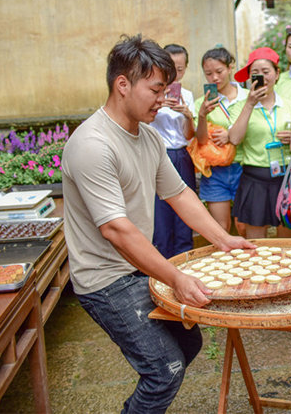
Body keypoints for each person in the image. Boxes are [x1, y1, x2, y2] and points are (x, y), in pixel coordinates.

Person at [62, 35, 254, 413]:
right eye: (155, 89)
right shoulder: (92, 145)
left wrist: (223, 239)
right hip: (104, 279)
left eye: (166, 89)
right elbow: (116, 229)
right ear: (122, 84)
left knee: (188, 343)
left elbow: (179, 193)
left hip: (138, 268)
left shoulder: (148, 136)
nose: (163, 98)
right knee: (164, 370)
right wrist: (175, 277)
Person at [228, 47, 291, 239]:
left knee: (288, 243)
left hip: (285, 178)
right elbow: (234, 139)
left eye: (266, 72)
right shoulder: (240, 106)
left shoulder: (290, 105)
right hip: (254, 179)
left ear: (277, 74)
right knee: (256, 243)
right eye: (255, 73)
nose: (262, 77)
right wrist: (250, 104)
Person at [148, 44, 198, 258]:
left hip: (180, 155)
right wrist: (157, 103)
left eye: (179, 69)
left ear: (185, 69)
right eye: (170, 67)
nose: (174, 74)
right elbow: (141, 123)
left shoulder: (187, 95)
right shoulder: (151, 93)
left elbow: (188, 135)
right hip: (156, 154)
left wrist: (188, 115)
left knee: (184, 211)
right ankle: (162, 263)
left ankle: (185, 259)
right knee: (160, 214)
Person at [194, 47, 248, 234]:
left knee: (243, 226)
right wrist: (202, 115)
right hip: (215, 170)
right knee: (221, 228)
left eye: (219, 71)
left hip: (244, 167)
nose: (214, 78)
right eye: (208, 74)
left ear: (230, 67)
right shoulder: (202, 102)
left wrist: (230, 135)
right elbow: (201, 140)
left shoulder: (247, 98)